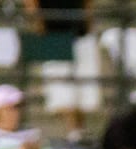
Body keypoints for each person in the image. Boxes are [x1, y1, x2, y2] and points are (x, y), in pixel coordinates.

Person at [25, 0, 98, 139]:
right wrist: (37, 21)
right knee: (61, 90)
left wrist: (89, 17)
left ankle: (79, 131)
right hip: (54, 33)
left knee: (84, 87)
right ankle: (73, 132)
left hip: (79, 30)